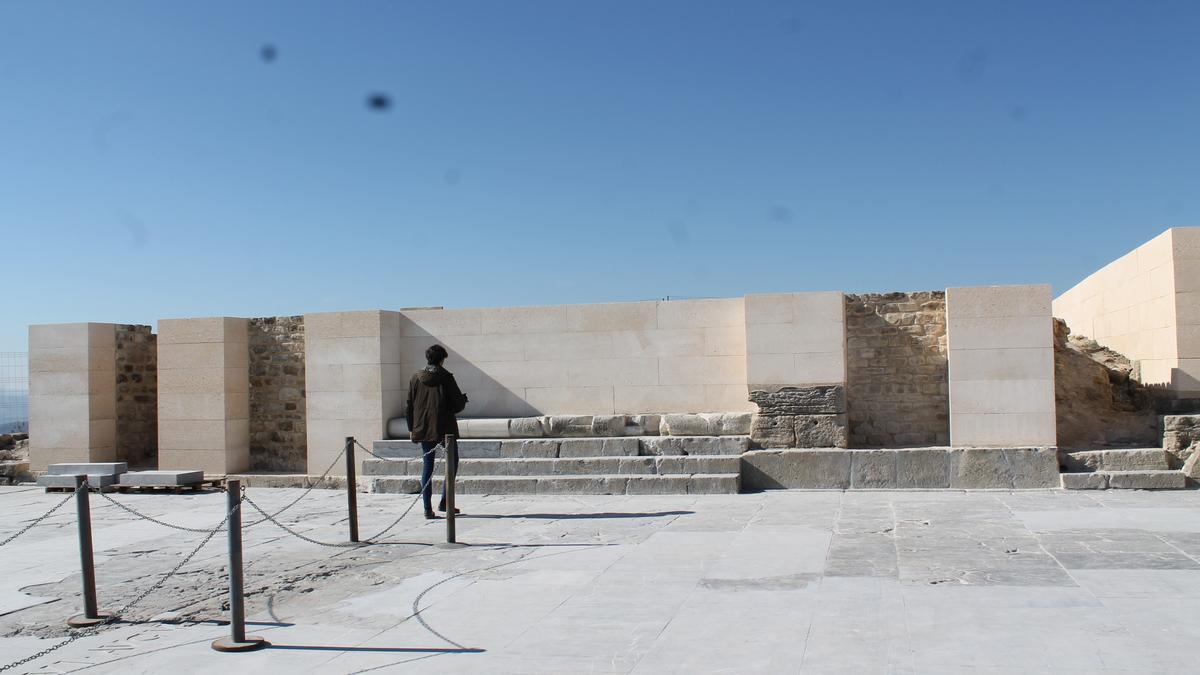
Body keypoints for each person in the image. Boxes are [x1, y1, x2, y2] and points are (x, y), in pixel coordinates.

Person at [405, 344, 468, 519]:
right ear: (441, 359)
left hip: (423, 427)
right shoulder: (446, 377)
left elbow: (409, 405)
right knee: (452, 462)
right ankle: (445, 502)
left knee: (427, 466)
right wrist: (463, 399)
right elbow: (457, 404)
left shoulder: (415, 378)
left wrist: (411, 428)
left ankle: (427, 508)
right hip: (445, 427)